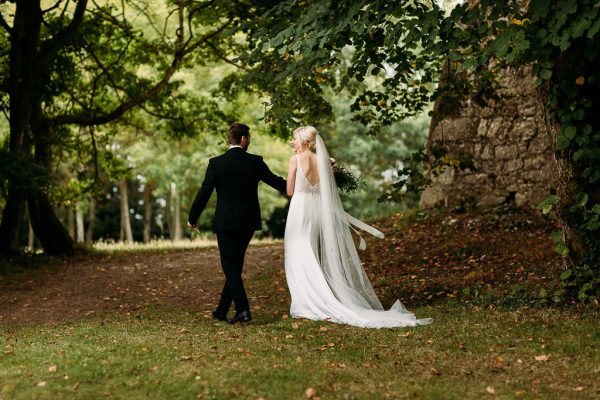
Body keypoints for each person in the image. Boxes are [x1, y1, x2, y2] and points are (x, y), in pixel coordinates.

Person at [284, 126, 432, 328]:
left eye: (294, 139)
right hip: (317, 210)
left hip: (300, 209)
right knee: (311, 251)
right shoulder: (324, 161)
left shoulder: (295, 160)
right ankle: (316, 296)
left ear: (302, 141)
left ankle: (305, 301)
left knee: (297, 252)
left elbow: (290, 190)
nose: (292, 142)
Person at [188, 122, 286, 324]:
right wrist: (306, 182)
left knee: (229, 266)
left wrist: (192, 217)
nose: (249, 141)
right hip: (248, 222)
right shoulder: (255, 162)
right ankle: (222, 310)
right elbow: (277, 182)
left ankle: (243, 309)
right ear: (243, 139)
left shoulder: (216, 163)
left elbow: (204, 191)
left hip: (225, 222)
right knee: (235, 265)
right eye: (249, 137)